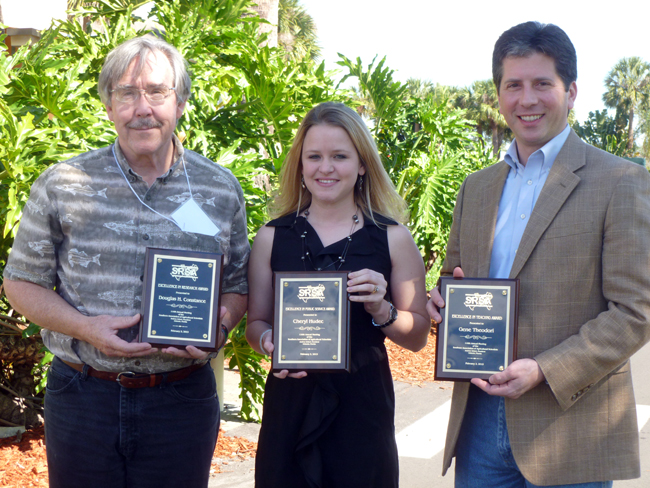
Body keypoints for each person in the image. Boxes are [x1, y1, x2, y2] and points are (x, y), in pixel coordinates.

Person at [3, 35, 249, 488]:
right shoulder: (63, 183)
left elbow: (237, 284)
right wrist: (84, 327)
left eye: (157, 92)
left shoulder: (219, 188)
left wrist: (220, 326)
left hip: (181, 399)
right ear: (108, 104)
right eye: (127, 93)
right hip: (83, 395)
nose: (143, 107)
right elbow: (20, 283)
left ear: (180, 102)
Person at [427, 21, 650, 487]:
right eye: (514, 85)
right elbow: (455, 277)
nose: (527, 100)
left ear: (570, 92)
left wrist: (545, 370)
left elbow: (636, 311)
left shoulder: (619, 182)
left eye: (542, 84)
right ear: (499, 94)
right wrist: (441, 300)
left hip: (570, 424)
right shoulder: (476, 187)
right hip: (480, 423)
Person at [246, 102, 430, 487]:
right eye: (314, 156)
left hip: (362, 412)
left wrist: (382, 309)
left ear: (362, 164)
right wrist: (268, 341)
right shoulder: (271, 237)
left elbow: (416, 338)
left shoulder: (393, 238)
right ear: (300, 164)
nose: (325, 168)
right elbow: (256, 323)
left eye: (340, 157)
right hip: (290, 404)